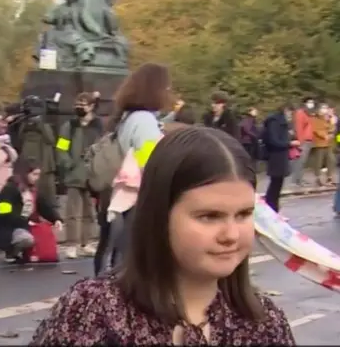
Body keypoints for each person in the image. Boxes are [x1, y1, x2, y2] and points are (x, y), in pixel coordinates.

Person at [31, 127, 295, 345]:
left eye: (244, 214)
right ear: (160, 214)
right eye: (209, 216)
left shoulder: (264, 323)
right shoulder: (92, 313)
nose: (231, 234)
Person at [93, 63, 167, 276]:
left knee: (118, 251)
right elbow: (150, 159)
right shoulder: (144, 121)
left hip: (121, 194)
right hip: (138, 195)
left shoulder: (125, 118)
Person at [56, 92, 104, 259]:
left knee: (89, 212)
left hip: (92, 175)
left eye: (82, 103)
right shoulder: (69, 126)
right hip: (74, 174)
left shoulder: (99, 126)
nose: (79, 107)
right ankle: (72, 244)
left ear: (91, 106)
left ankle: (87, 242)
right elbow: (61, 148)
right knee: (72, 211)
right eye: (77, 103)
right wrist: (69, 164)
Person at [0, 158, 63, 263]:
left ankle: (27, 253)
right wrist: (24, 221)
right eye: (34, 174)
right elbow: (4, 213)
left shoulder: (33, 189)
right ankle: (11, 252)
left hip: (27, 225)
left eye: (38, 175)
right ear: (25, 173)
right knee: (26, 239)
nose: (36, 178)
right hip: (10, 227)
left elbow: (44, 207)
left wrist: (56, 219)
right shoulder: (9, 188)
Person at [263, 102, 299, 212]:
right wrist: (289, 144)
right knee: (275, 185)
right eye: (290, 113)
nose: (290, 116)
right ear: (285, 110)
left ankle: (273, 208)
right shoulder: (274, 122)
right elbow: (274, 141)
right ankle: (271, 208)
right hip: (276, 156)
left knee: (277, 184)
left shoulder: (282, 122)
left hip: (281, 156)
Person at [291, 97, 315, 186]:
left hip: (308, 140)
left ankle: (299, 179)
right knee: (300, 161)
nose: (311, 104)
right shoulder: (300, 113)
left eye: (312, 102)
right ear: (304, 103)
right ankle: (296, 180)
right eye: (309, 102)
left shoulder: (308, 114)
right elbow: (299, 128)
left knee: (303, 161)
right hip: (303, 141)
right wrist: (300, 142)